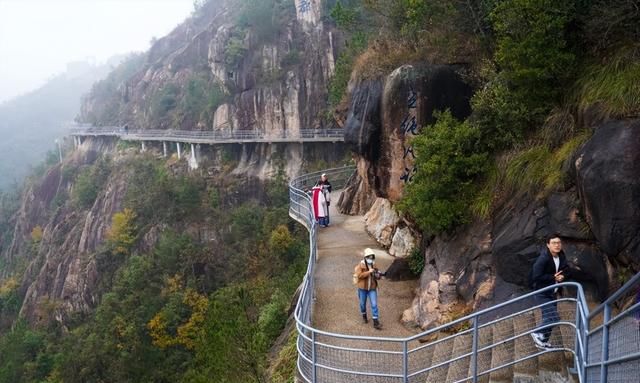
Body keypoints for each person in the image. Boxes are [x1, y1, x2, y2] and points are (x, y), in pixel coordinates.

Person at [530, 233, 573, 349]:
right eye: (554, 243)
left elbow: (567, 269)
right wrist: (553, 277)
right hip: (542, 293)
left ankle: (543, 341)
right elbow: (536, 276)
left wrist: (562, 276)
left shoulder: (561, 256)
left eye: (559, 243)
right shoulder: (543, 259)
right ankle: (536, 332)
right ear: (548, 245)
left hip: (553, 293)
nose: (557, 245)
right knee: (554, 317)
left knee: (548, 318)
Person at [355, 248, 385, 329]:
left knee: (374, 304)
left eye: (372, 257)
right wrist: (369, 272)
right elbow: (359, 275)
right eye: (369, 257)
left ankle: (376, 322)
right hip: (362, 289)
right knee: (362, 304)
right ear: (365, 257)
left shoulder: (374, 265)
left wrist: (379, 276)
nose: (370, 259)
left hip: (372, 288)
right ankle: (364, 314)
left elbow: (376, 275)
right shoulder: (360, 265)